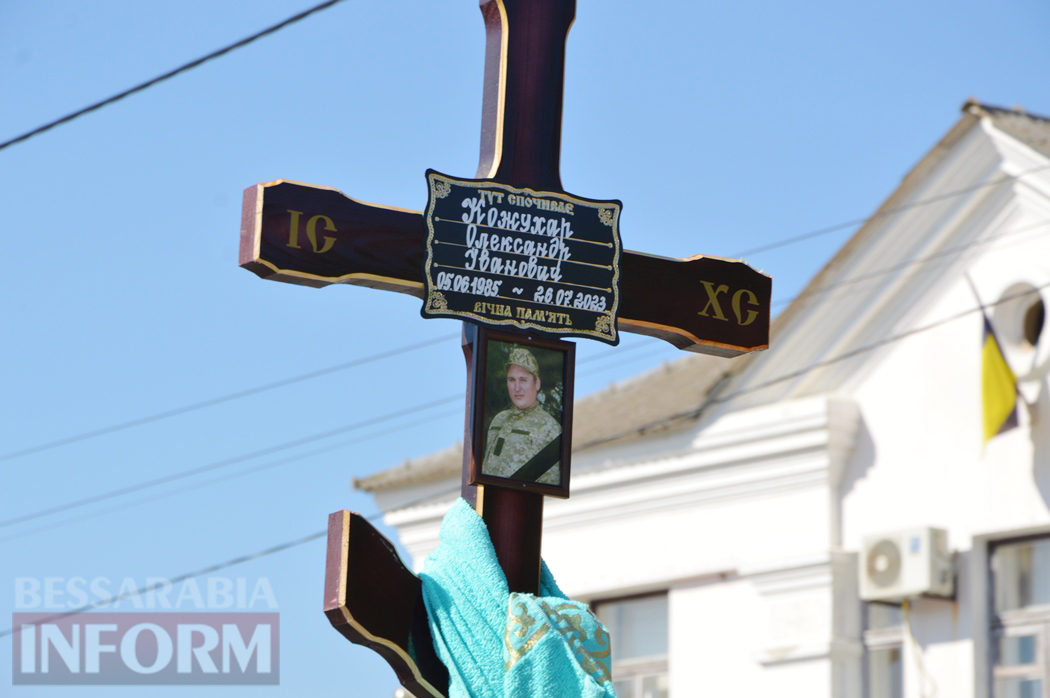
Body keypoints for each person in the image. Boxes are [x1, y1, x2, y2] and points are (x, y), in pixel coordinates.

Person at [481, 346, 561, 485]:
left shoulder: (551, 428)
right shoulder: (499, 419)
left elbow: (551, 482)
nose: (517, 388)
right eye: (512, 380)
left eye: (523, 380)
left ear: (537, 383)